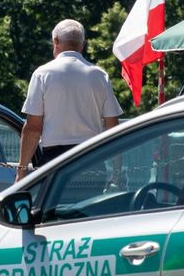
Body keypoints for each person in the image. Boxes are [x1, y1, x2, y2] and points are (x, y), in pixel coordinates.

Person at [16, 19, 121, 180]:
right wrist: (117, 172)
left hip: (54, 161)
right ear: (83, 44)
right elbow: (112, 127)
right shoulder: (100, 75)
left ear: (56, 41)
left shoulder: (42, 74)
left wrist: (21, 171)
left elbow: (33, 128)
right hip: (92, 160)